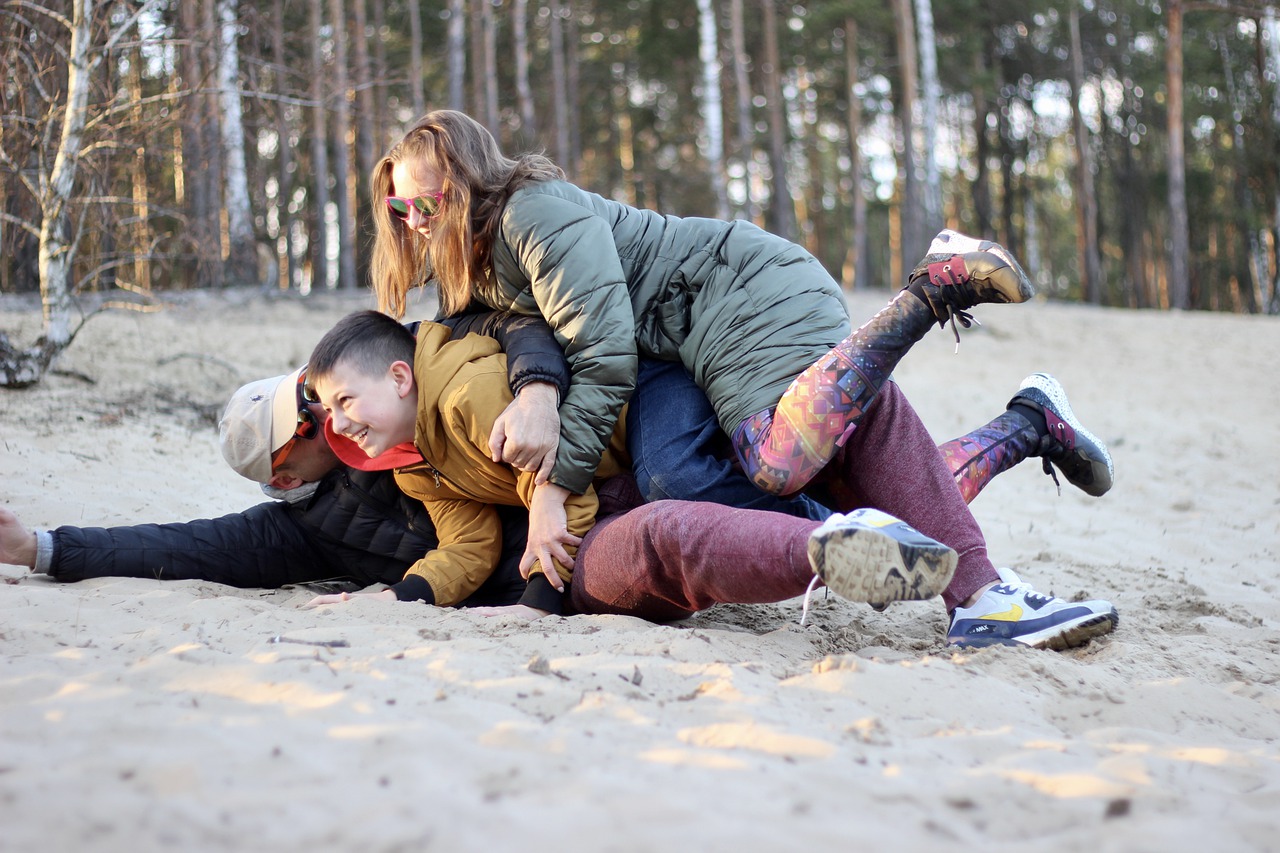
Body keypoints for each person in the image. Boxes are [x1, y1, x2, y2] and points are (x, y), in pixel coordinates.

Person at [366, 109, 1117, 647]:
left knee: (776, 459)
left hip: (737, 291)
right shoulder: (484, 265)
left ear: (466, 184)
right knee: (800, 483)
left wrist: (553, 491)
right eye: (399, 209)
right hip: (684, 345)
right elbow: (528, 330)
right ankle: (1024, 426)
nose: (413, 223)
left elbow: (603, 352)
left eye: (425, 203)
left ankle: (927, 293)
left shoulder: (535, 215)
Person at [306, 310, 1117, 650]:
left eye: (340, 406)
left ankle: (922, 312)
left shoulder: (467, 387)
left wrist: (539, 588)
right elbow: (469, 540)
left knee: (845, 437)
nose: (334, 430)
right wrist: (408, 595)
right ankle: (1019, 429)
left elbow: (561, 466)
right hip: (600, 541)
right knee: (695, 526)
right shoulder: (403, 466)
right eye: (320, 421)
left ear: (400, 376)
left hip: (648, 455)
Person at [0, 310, 569, 602]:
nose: (329, 414)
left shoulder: (392, 391)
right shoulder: (293, 533)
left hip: (573, 491)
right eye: (308, 415)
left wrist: (537, 388)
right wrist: (41, 549)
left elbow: (515, 325)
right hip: (546, 577)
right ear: (284, 473)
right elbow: (183, 546)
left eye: (313, 393)